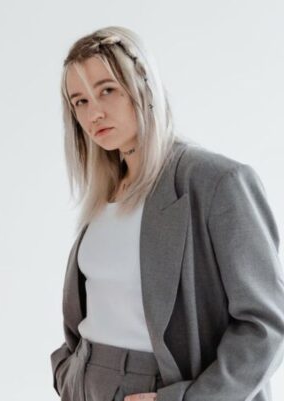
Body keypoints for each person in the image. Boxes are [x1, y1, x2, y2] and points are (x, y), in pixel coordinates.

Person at [51, 27, 284, 401]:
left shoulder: (216, 182)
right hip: (86, 385)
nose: (94, 112)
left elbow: (266, 326)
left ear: (143, 84)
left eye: (107, 90)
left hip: (160, 386)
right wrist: (68, 372)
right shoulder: (104, 194)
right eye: (79, 101)